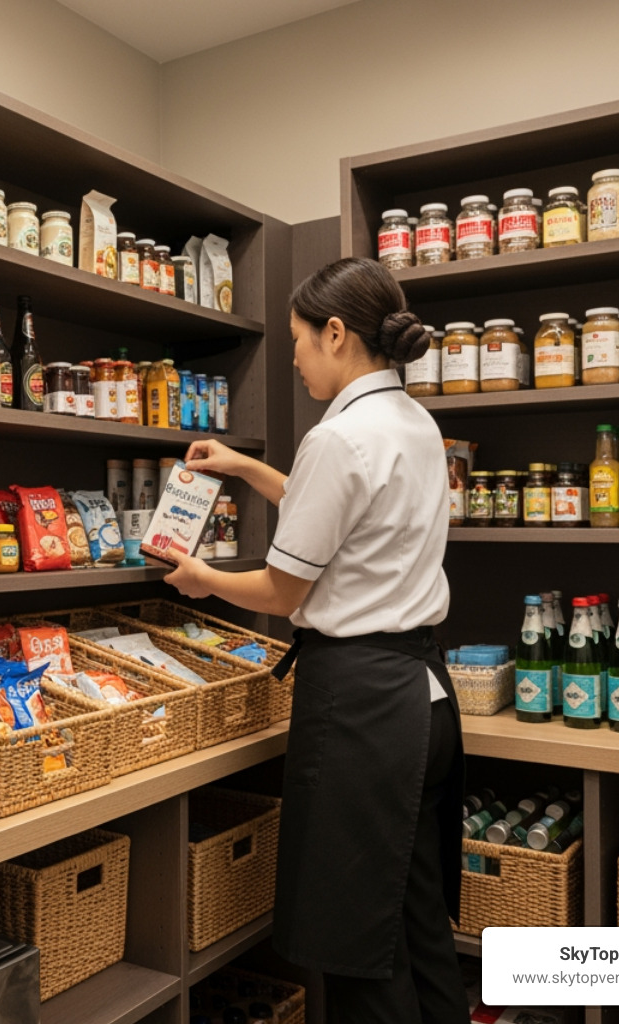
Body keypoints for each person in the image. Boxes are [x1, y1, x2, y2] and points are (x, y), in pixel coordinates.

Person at [164, 257, 466, 1024]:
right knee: (417, 917)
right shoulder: (414, 424)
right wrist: (245, 468)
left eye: (300, 338)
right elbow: (339, 513)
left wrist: (203, 578)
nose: (294, 356)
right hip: (422, 696)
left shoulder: (339, 438)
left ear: (336, 333)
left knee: (357, 941)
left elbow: (280, 590)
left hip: (360, 707)